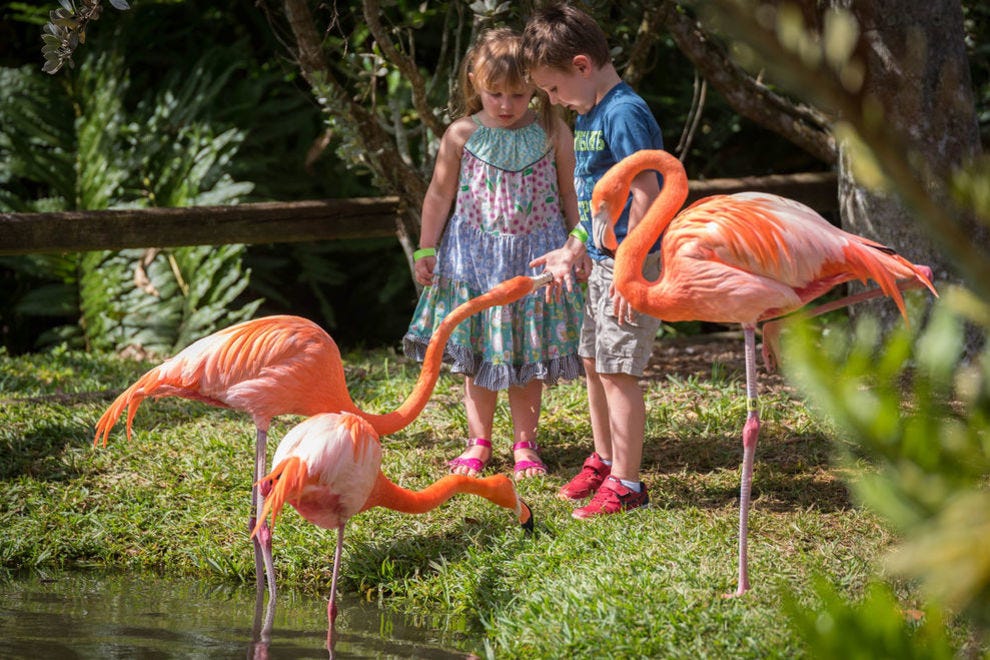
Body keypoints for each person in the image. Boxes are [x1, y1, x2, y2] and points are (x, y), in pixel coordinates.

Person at [403, 27, 585, 480]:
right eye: (495, 93)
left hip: (534, 261)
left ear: (536, 90)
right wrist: (427, 247)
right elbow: (439, 196)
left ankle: (525, 443)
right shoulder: (462, 134)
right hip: (474, 263)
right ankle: (477, 441)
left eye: (519, 95)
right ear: (473, 82)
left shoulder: (552, 131)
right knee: (478, 355)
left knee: (526, 359)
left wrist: (577, 245)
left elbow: (571, 194)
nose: (506, 105)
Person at [523, 3, 665, 518]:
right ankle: (604, 459)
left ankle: (628, 483)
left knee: (618, 369)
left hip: (630, 263)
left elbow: (649, 192)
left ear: (582, 66)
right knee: (594, 360)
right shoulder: (589, 115)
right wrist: (575, 245)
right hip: (604, 262)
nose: (554, 101)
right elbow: (598, 205)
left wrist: (630, 267)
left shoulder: (623, 113)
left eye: (555, 89)